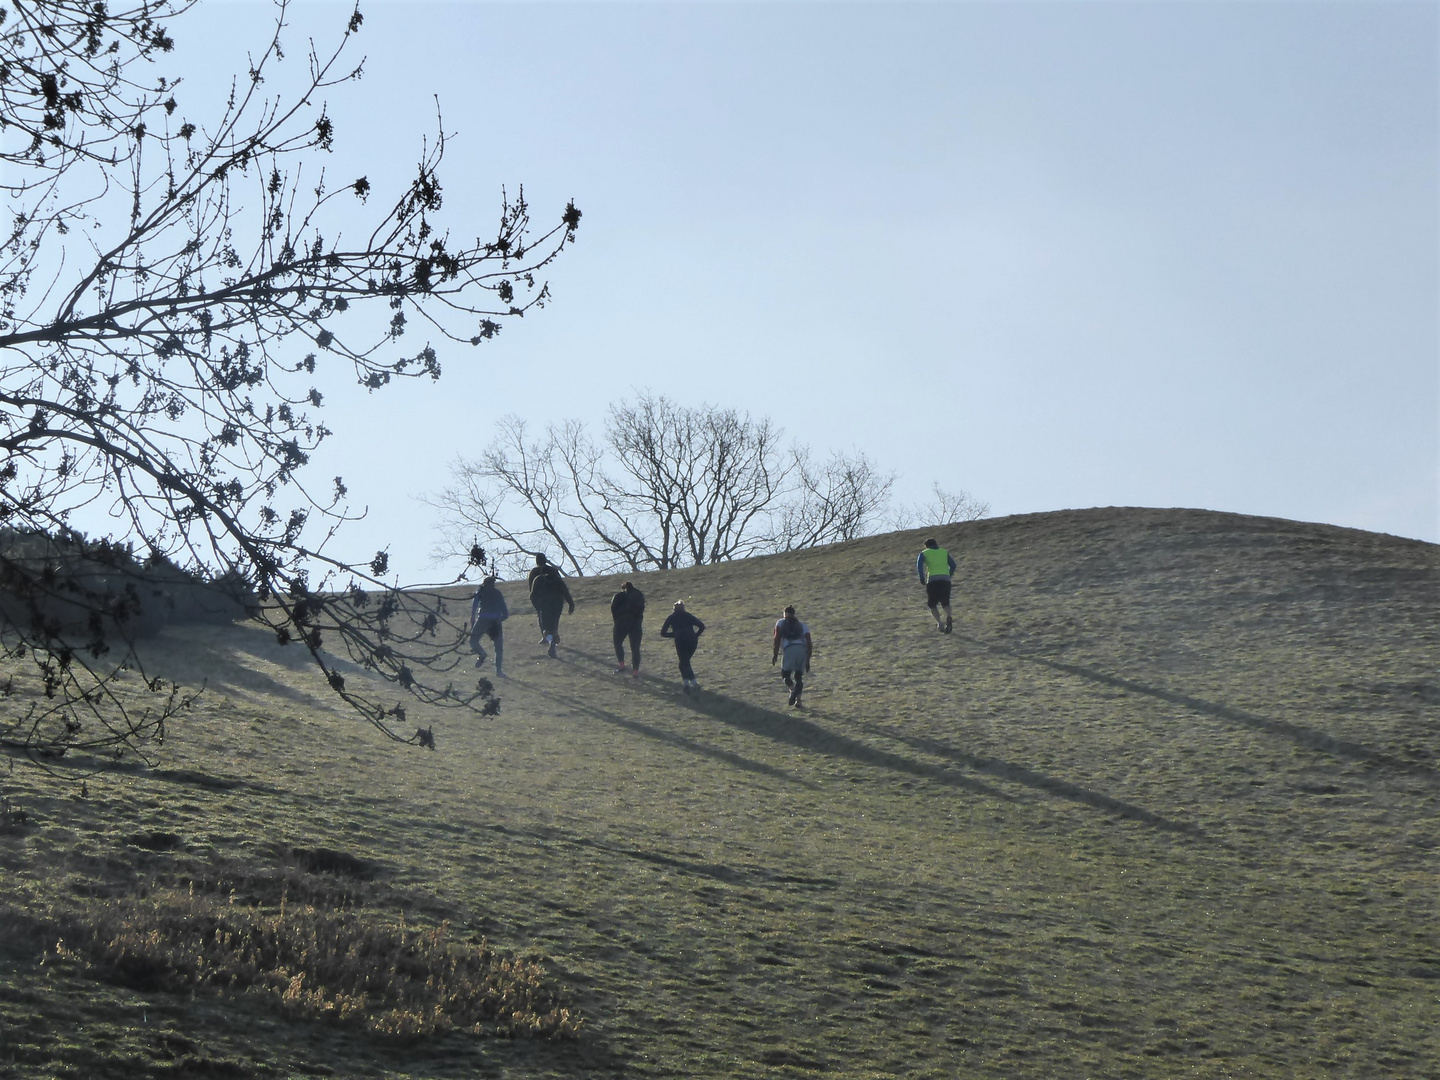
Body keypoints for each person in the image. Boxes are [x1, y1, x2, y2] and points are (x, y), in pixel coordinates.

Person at [528, 556, 574, 659]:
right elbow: (564, 589)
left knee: (544, 625)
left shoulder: (535, 574)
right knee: (553, 626)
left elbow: (532, 592)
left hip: (544, 603)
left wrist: (537, 605)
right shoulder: (554, 572)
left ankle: (547, 638)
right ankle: (552, 644)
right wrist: (570, 603)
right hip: (557, 603)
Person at [659, 600, 706, 693]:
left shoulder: (671, 618)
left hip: (680, 641)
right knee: (684, 663)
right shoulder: (688, 616)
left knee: (684, 663)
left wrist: (675, 634)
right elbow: (702, 626)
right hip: (692, 640)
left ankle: (692, 684)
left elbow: (663, 633)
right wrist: (695, 635)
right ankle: (688, 684)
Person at [770, 604, 812, 707]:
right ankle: (798, 701)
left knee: (786, 675)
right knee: (798, 677)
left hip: (789, 649)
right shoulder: (803, 625)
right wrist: (807, 660)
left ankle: (792, 691)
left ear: (784, 614)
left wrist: (775, 654)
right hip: (802, 649)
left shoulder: (780, 623)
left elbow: (777, 638)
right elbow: (809, 643)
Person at [469, 574, 509, 676]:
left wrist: (473, 617)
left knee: (473, 641)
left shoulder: (480, 592)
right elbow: (505, 613)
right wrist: (499, 620)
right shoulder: (498, 594)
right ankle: (499, 671)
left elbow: (474, 605)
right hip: (495, 621)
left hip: (482, 619)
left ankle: (482, 654)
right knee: (498, 648)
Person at [916, 537, 957, 633]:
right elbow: (953, 565)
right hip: (945, 580)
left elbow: (919, 567)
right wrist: (948, 575)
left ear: (926, 546)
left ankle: (940, 623)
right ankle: (949, 616)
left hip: (933, 580)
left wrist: (922, 579)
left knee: (932, 604)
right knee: (946, 602)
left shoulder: (924, 553)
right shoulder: (944, 552)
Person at [610, 580, 646, 677]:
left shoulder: (618, 596)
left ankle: (622, 665)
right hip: (635, 624)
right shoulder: (639, 595)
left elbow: (613, 609)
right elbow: (642, 609)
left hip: (621, 623)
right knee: (635, 648)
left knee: (617, 643)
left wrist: (617, 621)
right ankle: (635, 672)